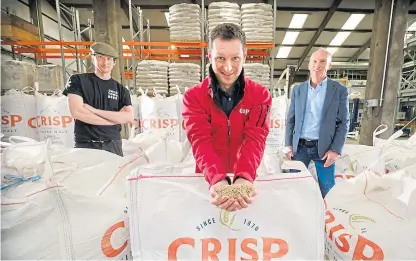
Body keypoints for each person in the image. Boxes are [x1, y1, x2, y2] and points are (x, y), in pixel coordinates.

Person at [182, 23, 272, 212]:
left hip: (246, 180)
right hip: (209, 182)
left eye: (235, 58)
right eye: (220, 58)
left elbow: (255, 139)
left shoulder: (260, 95)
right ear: (209, 56)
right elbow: (200, 140)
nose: (228, 67)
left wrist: (244, 177)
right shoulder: (193, 97)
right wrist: (217, 179)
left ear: (245, 56)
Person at [285, 48, 349, 198]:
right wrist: (288, 144)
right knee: (295, 187)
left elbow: (343, 122)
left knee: (327, 188)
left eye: (322, 61)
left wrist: (335, 149)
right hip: (299, 147)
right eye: (314, 61)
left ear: (329, 65)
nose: (317, 65)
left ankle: (326, 219)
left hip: (325, 148)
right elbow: (291, 119)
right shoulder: (298, 90)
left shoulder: (339, 90)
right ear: (309, 65)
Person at [63, 42, 133, 156]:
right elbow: (77, 112)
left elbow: (128, 116)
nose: (105, 62)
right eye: (100, 57)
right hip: (86, 144)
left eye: (109, 59)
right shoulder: (78, 80)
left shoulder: (121, 90)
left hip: (113, 145)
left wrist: (94, 110)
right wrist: (113, 120)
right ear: (93, 58)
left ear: (114, 62)